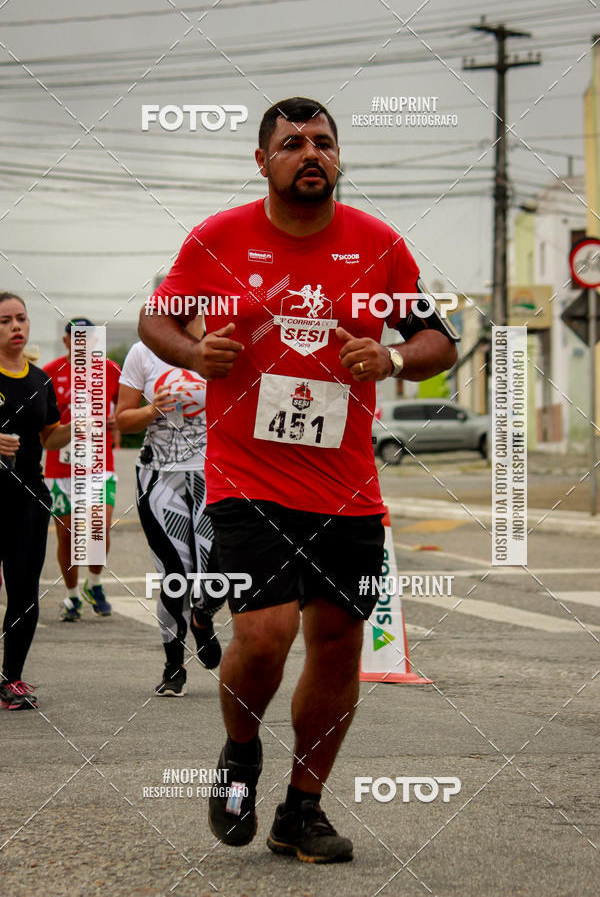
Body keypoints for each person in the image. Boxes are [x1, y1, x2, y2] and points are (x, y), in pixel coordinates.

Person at [138, 97, 458, 863]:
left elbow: (437, 339)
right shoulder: (217, 240)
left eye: (323, 142)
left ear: (338, 158)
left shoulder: (381, 248)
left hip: (346, 486)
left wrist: (394, 359)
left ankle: (302, 810)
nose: (309, 153)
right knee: (265, 633)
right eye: (291, 143)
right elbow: (158, 319)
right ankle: (241, 752)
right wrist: (191, 352)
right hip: (247, 476)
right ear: (263, 161)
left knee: (341, 643)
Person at [115, 316, 225, 697]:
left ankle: (203, 617)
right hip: (160, 477)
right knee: (176, 575)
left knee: (217, 575)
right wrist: (150, 410)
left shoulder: (223, 344)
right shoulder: (143, 353)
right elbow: (122, 420)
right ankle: (173, 665)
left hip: (214, 475)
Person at [0, 293, 71, 710]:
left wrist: (78, 426)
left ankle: (13, 680)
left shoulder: (39, 380)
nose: (15, 327)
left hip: (28, 496)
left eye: (21, 319)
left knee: (24, 590)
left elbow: (49, 435)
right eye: (6, 320)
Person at [43, 318, 121, 621]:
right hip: (61, 467)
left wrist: (118, 421)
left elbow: (124, 405)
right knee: (67, 536)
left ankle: (95, 584)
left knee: (99, 525)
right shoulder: (49, 373)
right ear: (66, 341)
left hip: (100, 463)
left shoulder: (111, 370)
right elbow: (44, 425)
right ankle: (72, 596)